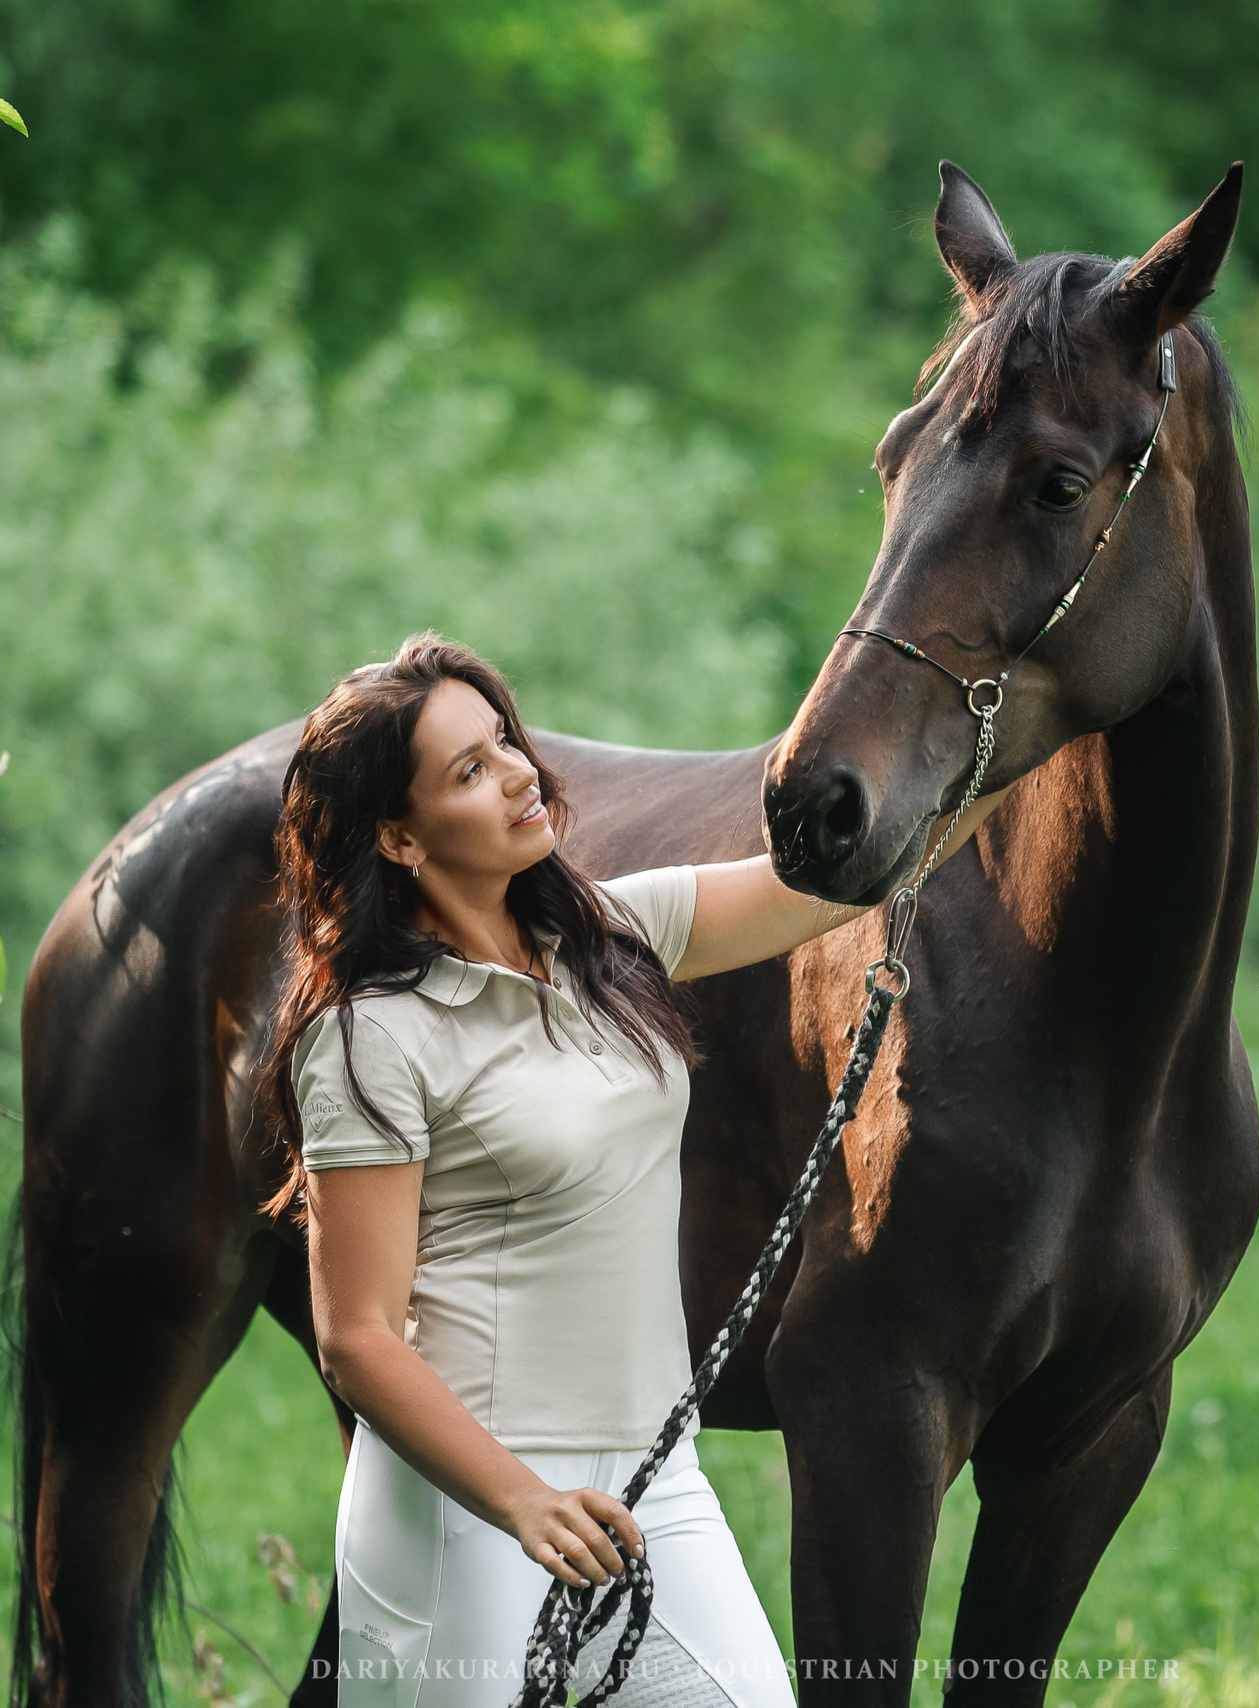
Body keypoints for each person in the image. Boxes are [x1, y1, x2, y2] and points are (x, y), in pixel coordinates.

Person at [259, 633, 1008, 1708]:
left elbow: (839, 886)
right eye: (468, 770)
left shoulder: (613, 933)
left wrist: (1021, 739)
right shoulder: (367, 1034)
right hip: (468, 1507)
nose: (518, 772)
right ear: (399, 837)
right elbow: (357, 1336)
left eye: (504, 740)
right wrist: (516, 1499)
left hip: (654, 1477)